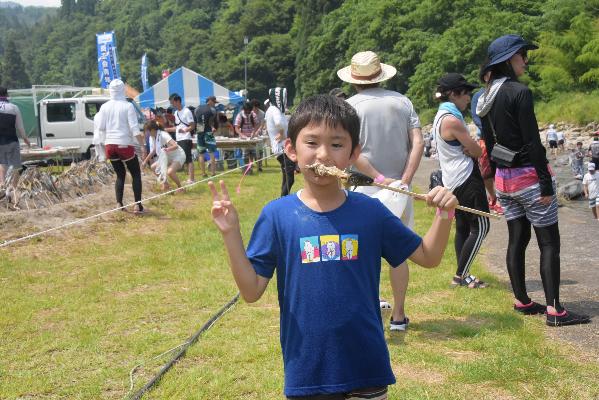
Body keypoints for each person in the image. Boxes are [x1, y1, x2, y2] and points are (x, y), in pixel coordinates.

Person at [209, 94, 459, 399]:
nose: (324, 155)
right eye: (312, 143)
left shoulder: (371, 212)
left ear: (354, 154)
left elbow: (429, 256)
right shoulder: (276, 215)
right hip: (308, 370)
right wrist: (231, 234)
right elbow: (251, 291)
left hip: (367, 364)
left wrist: (444, 215)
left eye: (337, 145)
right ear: (290, 149)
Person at [477, 34, 590, 326]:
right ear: (507, 60)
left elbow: (488, 144)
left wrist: (494, 179)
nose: (525, 61)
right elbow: (532, 143)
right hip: (529, 178)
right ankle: (555, 311)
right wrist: (543, 182)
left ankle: (523, 300)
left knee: (517, 239)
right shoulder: (519, 92)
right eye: (521, 55)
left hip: (504, 180)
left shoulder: (485, 95)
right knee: (549, 243)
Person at [338, 51, 424, 331]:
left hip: (363, 187)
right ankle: (399, 315)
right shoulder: (403, 101)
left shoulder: (349, 107)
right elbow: (418, 143)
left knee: (361, 252)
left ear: (354, 79)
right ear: (381, 74)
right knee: (398, 252)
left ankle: (368, 309)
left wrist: (377, 177)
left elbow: (351, 152)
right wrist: (404, 180)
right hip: (401, 188)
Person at [433, 73, 490, 288]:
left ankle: (463, 275)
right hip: (467, 178)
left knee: (464, 228)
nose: (468, 98)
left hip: (452, 179)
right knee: (482, 226)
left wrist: (471, 147)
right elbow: (476, 150)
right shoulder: (452, 120)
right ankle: (461, 275)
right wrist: (473, 147)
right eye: (466, 93)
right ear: (454, 94)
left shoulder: (440, 116)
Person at [96, 79, 147, 214]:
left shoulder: (104, 106)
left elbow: (100, 127)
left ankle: (119, 203)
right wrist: (142, 146)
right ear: (123, 90)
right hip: (124, 144)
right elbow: (135, 129)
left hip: (109, 146)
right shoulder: (127, 106)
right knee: (135, 173)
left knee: (120, 174)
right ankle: (137, 205)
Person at [471, 72, 504, 215]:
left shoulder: (503, 91)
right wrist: (491, 131)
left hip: (502, 138)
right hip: (485, 138)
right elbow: (476, 117)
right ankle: (493, 196)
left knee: (502, 168)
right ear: (485, 77)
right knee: (486, 172)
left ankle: (503, 199)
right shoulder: (479, 95)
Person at [265, 87, 296, 196]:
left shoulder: (272, 109)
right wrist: (282, 133)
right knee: (289, 179)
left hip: (280, 147)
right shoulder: (274, 110)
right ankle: (283, 200)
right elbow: (279, 123)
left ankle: (283, 199)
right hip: (282, 148)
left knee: (287, 177)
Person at [141, 121, 185, 192]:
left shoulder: (163, 134)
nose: (146, 133)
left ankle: (180, 188)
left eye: (147, 131)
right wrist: (145, 162)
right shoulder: (152, 137)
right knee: (153, 167)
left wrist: (167, 149)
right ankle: (166, 185)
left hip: (178, 155)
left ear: (152, 130)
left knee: (170, 172)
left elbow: (175, 146)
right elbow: (154, 150)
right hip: (167, 157)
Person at [0, 86, 31, 185]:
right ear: (7, 95)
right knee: (16, 166)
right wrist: (25, 139)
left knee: (2, 164)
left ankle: (2, 185)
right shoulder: (14, 107)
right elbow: (20, 127)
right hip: (12, 140)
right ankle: (14, 188)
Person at [165, 93, 195, 184]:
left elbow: (192, 126)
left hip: (186, 138)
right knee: (184, 158)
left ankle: (192, 179)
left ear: (178, 101)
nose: (172, 105)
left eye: (172, 102)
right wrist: (166, 129)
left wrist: (185, 130)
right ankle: (189, 178)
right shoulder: (176, 112)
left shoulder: (187, 111)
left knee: (188, 159)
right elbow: (177, 128)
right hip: (179, 139)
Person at [194, 96, 219, 177]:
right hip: (208, 131)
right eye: (214, 102)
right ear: (210, 101)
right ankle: (213, 173)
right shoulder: (213, 110)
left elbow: (196, 121)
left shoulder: (197, 108)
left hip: (200, 130)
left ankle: (203, 173)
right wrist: (215, 127)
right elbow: (215, 122)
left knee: (201, 153)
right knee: (211, 152)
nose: (215, 104)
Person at [234, 102, 257, 172]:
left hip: (252, 138)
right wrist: (241, 135)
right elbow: (236, 128)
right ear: (244, 109)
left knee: (253, 153)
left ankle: (252, 167)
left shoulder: (253, 114)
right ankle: (246, 169)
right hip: (243, 138)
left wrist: (254, 132)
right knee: (245, 154)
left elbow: (257, 124)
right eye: (247, 111)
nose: (248, 112)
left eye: (249, 110)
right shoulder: (240, 115)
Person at [251, 99, 266, 172]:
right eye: (254, 107)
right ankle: (250, 165)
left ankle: (259, 165)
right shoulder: (249, 113)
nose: (255, 109)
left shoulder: (262, 113)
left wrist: (258, 131)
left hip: (259, 134)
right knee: (251, 150)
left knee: (260, 150)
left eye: (257, 108)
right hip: (250, 134)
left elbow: (262, 124)